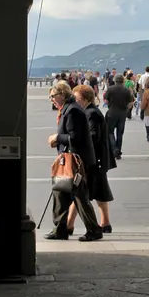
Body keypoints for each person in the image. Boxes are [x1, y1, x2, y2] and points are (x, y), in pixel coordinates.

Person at [45, 82, 103, 241]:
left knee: (79, 197)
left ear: (62, 94)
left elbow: (75, 137)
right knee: (61, 193)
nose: (51, 99)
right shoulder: (68, 109)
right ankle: (60, 229)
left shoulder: (73, 111)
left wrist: (57, 138)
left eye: (52, 96)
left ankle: (93, 229)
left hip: (77, 162)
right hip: (69, 161)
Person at [68, 85, 115, 234]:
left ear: (84, 99)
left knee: (80, 191)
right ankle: (105, 222)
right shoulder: (91, 112)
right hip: (98, 160)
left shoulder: (91, 114)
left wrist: (79, 144)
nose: (75, 101)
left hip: (93, 160)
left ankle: (68, 225)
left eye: (77, 98)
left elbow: (93, 137)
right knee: (99, 191)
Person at [104, 74, 133, 159]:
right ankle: (118, 152)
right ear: (122, 81)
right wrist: (126, 109)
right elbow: (131, 103)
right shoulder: (126, 90)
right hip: (122, 114)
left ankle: (114, 149)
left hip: (112, 112)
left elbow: (106, 101)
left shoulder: (110, 89)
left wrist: (109, 104)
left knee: (110, 132)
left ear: (115, 80)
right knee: (120, 133)